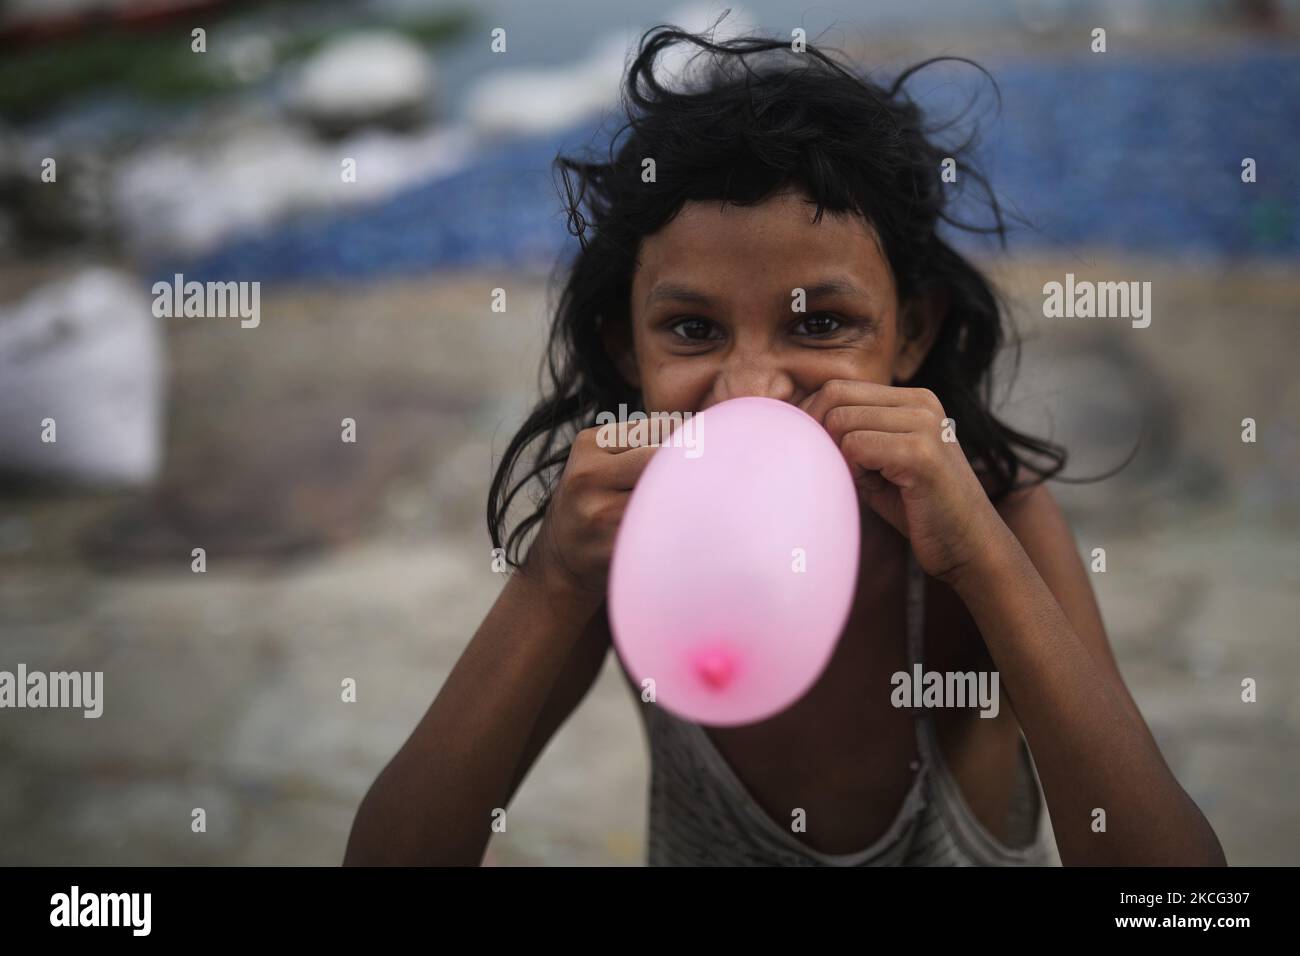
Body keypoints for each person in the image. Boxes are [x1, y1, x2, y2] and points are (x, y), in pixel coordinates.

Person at [345, 26, 1226, 867]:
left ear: (911, 333)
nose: (752, 387)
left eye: (824, 323)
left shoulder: (999, 523)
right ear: (627, 350)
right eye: (693, 329)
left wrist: (983, 563)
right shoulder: (620, 555)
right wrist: (552, 587)